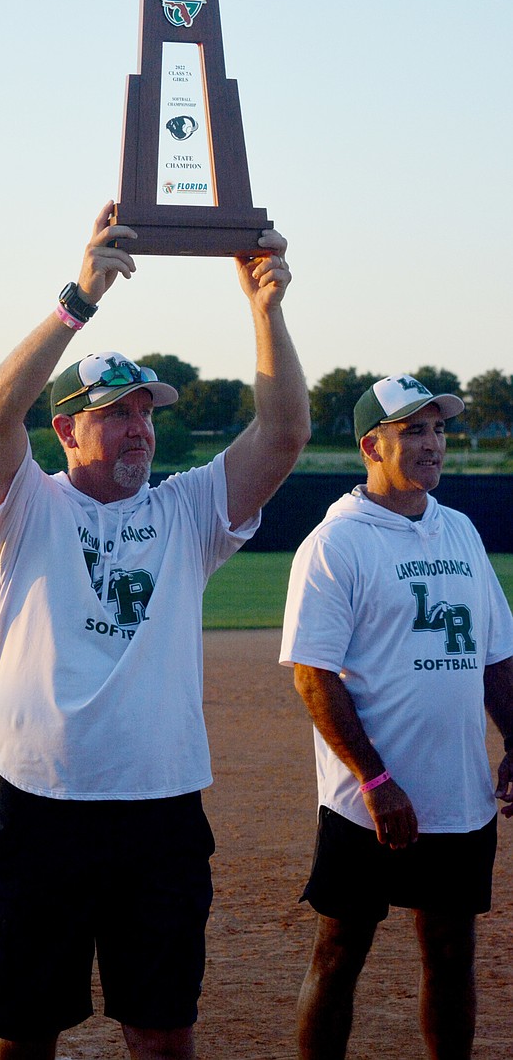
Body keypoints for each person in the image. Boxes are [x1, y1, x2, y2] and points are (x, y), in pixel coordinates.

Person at [0, 200, 310, 1060]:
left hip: (159, 808)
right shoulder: (22, 507)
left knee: (162, 1030)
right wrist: (78, 299)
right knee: (25, 1032)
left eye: (146, 412)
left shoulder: (186, 508)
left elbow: (285, 431)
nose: (140, 428)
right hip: (38, 803)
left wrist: (266, 310)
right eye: (118, 411)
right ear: (68, 426)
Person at [280, 373, 513, 1060]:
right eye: (414, 429)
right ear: (370, 446)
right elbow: (312, 676)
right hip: (366, 803)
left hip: (458, 794)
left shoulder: (461, 532)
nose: (433, 443)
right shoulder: (338, 541)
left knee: (450, 950)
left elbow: (496, 652)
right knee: (340, 949)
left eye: (439, 428)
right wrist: (377, 783)